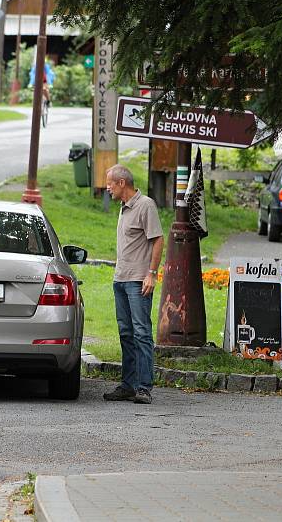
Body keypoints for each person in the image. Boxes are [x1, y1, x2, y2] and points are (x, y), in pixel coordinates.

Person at [103, 165, 164, 405]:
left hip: (138, 281)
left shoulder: (145, 205)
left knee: (141, 333)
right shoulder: (124, 207)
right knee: (126, 333)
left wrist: (151, 273)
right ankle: (128, 385)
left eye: (109, 184)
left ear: (121, 183)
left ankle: (144, 387)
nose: (107, 188)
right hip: (121, 279)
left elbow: (158, 239)